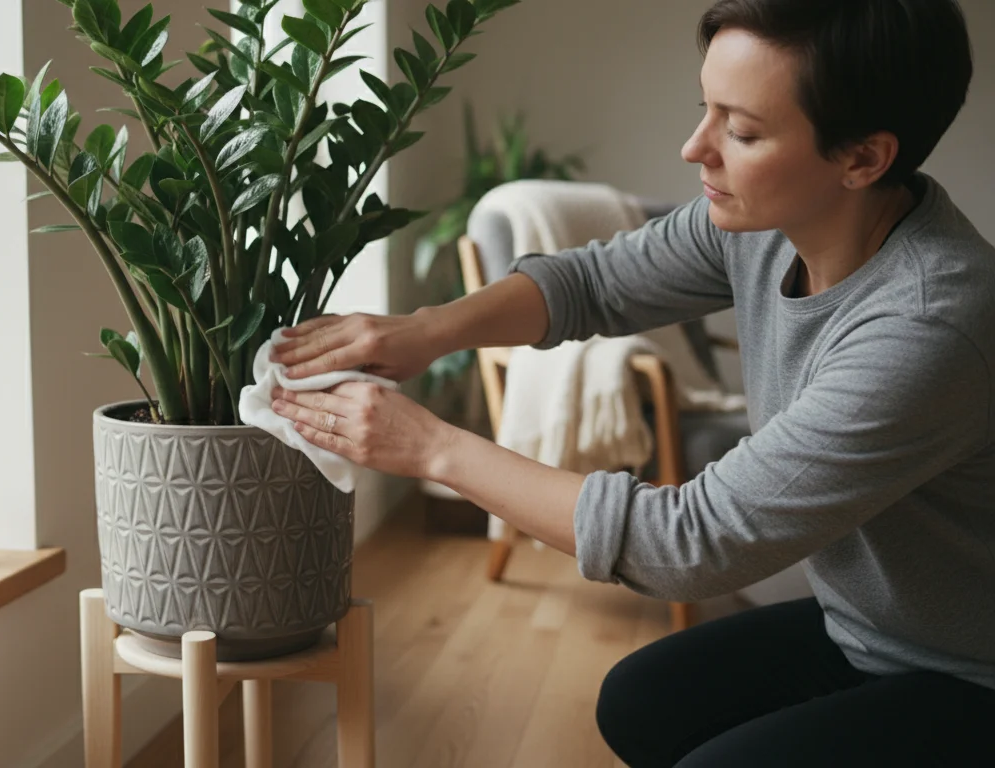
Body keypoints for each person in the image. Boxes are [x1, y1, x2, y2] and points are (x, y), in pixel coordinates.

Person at [264, 0, 995, 764]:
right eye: (703, 109)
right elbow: (597, 281)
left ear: (863, 159)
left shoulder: (927, 326)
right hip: (872, 633)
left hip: (972, 674)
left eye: (740, 131)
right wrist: (420, 330)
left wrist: (432, 450)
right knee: (640, 704)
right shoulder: (771, 226)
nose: (694, 147)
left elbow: (689, 541)